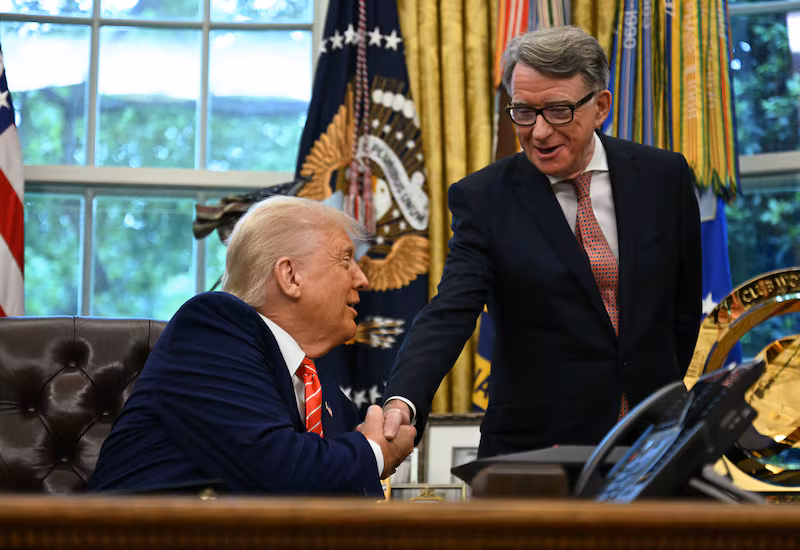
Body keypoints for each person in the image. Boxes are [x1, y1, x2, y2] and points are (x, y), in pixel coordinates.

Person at [382, 25, 702, 459]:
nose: (539, 132)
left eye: (557, 111)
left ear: (600, 106)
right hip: (537, 449)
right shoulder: (484, 198)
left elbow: (682, 311)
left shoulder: (664, 177)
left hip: (654, 440)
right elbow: (450, 312)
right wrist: (404, 399)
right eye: (524, 112)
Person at [89, 196, 415, 496]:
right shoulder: (212, 328)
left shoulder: (328, 396)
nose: (362, 279)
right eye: (346, 260)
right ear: (290, 275)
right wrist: (375, 450)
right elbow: (277, 469)